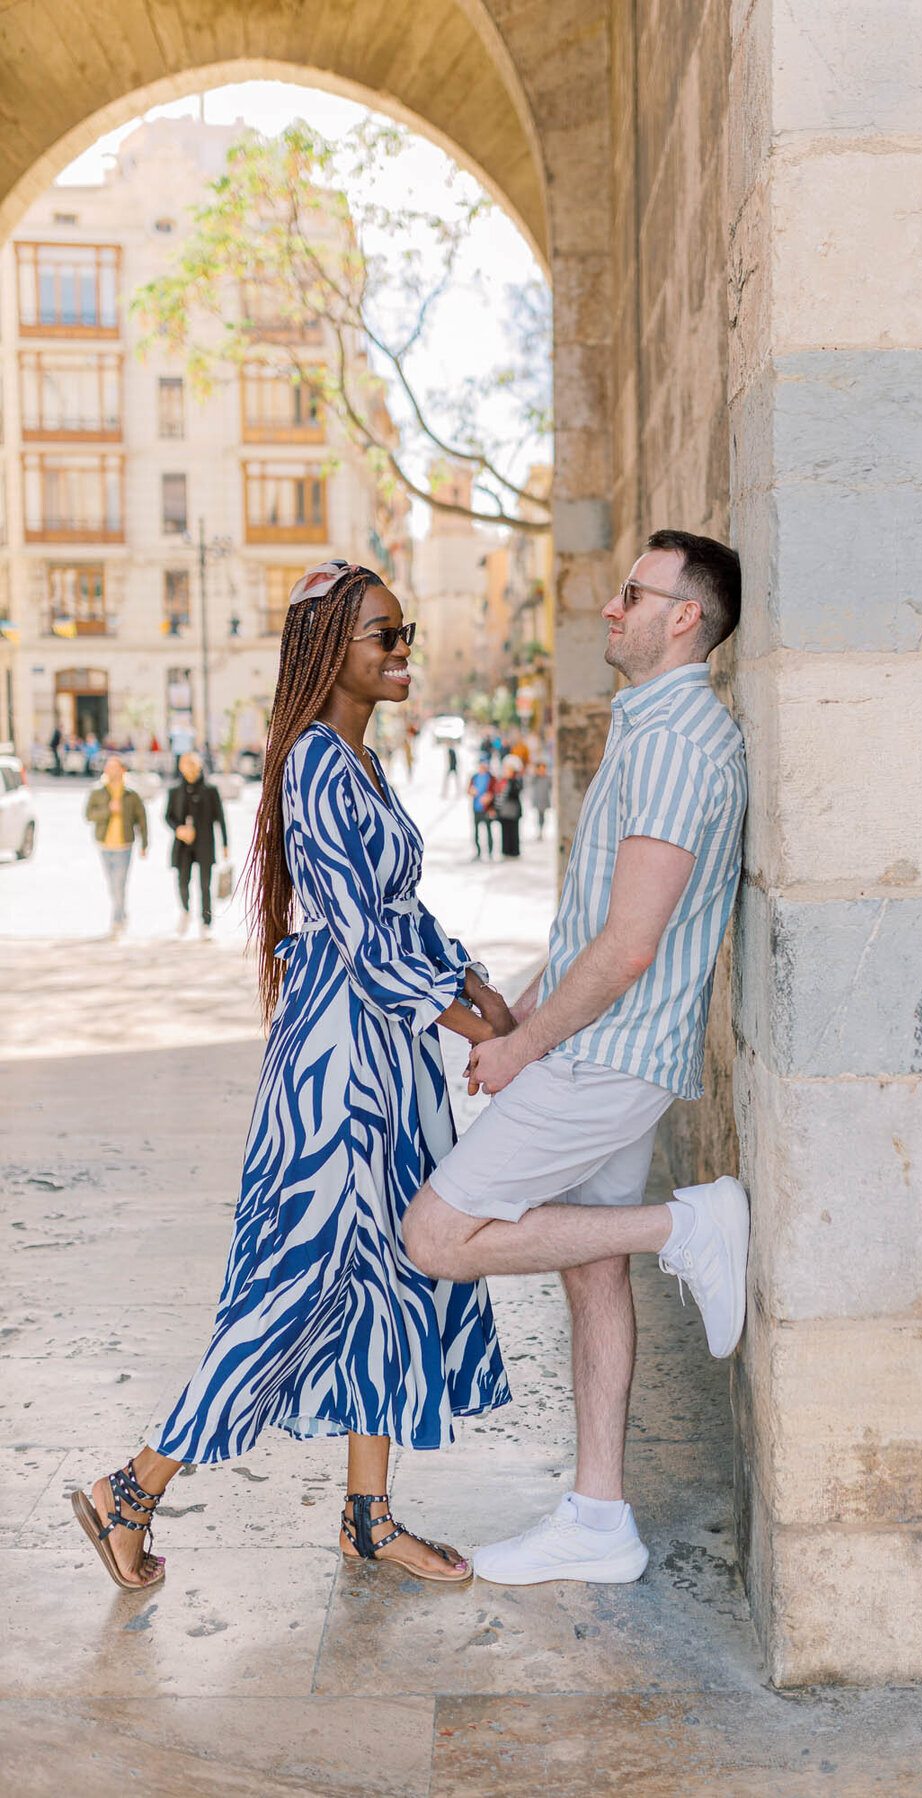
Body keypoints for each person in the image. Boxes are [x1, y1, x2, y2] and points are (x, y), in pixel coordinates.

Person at [71, 559, 515, 1592]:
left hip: (386, 1060)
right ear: (331, 652)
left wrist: (480, 989)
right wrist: (475, 1022)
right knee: (297, 1286)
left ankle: (369, 1517)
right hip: (340, 1073)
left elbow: (402, 917)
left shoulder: (355, 763)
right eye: (384, 637)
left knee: (393, 1276)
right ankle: (127, 1490)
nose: (404, 652)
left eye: (406, 635)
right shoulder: (316, 762)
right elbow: (363, 939)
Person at [402, 528, 749, 1587]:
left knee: (436, 1235)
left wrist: (525, 1051)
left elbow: (633, 943)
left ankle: (689, 1223)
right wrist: (518, 1013)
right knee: (589, 1264)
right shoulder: (649, 729)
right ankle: (599, 1520)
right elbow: (593, 923)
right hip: (593, 1045)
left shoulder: (681, 743)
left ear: (684, 615)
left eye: (634, 593)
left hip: (607, 1061)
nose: (612, 606)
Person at [166, 751, 228, 939]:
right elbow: (167, 816)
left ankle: (206, 922)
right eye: (186, 764)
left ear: (200, 766)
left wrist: (225, 844)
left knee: (205, 884)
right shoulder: (175, 790)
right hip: (183, 845)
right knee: (182, 881)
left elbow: (220, 818)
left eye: (193, 764)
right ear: (181, 767)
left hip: (205, 843)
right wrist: (179, 829)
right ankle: (185, 911)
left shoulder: (210, 790)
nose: (190, 768)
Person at [85, 755, 148, 938]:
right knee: (112, 885)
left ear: (122, 770)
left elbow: (141, 819)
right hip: (104, 844)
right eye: (108, 766)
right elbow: (88, 815)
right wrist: (108, 811)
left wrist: (145, 843)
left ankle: (117, 921)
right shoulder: (98, 791)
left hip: (124, 845)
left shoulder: (131, 793)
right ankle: (122, 913)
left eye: (115, 766)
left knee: (119, 885)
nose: (111, 770)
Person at [495, 755, 523, 859]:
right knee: (505, 833)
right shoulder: (502, 780)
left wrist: (511, 781)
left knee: (514, 832)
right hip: (504, 811)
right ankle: (506, 851)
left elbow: (515, 793)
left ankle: (514, 852)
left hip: (513, 811)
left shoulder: (516, 781)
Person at [470, 753, 497, 860]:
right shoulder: (475, 777)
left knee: (488, 830)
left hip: (487, 808)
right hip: (476, 808)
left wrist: (490, 797)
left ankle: (490, 852)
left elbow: (495, 791)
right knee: (476, 831)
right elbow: (469, 789)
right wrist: (471, 791)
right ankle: (478, 852)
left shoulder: (491, 778)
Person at [528, 761, 551, 839]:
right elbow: (530, 782)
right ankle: (539, 831)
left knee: (542, 816)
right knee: (539, 816)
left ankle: (541, 831)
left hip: (544, 799)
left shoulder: (548, 778)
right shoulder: (536, 778)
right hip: (538, 800)